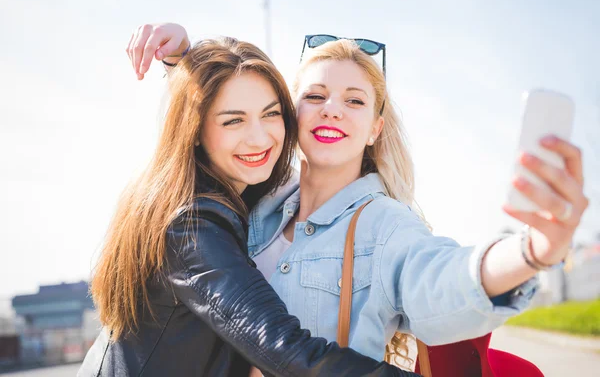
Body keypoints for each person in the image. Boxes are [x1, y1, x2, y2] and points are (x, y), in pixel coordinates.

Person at [130, 23, 588, 373]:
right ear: (292, 114)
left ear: (375, 128)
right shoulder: (255, 199)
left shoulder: (386, 226)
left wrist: (533, 250)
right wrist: (183, 64)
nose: (332, 107)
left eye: (355, 101)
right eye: (316, 95)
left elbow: (443, 278)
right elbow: (210, 139)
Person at [79, 36, 417, 376]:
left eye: (270, 114)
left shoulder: (242, 194)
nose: (258, 138)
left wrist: (180, 61)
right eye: (233, 121)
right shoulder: (192, 225)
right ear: (194, 129)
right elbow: (288, 351)